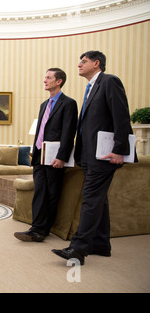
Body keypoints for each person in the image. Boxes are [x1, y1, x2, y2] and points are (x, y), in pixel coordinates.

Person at [52, 51, 136, 265]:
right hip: (90, 155)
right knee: (99, 200)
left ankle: (78, 249)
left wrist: (120, 149)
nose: (79, 65)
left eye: (84, 61)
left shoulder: (109, 82)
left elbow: (121, 115)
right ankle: (101, 244)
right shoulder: (90, 88)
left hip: (105, 155)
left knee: (90, 199)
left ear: (96, 63)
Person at [14, 68, 77, 242]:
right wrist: (35, 149)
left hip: (55, 156)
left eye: (48, 78)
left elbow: (68, 132)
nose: (45, 80)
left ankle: (43, 230)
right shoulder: (44, 105)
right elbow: (42, 129)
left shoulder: (69, 104)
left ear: (59, 81)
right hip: (40, 154)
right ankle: (36, 227)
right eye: (45, 77)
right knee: (39, 191)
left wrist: (62, 156)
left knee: (51, 192)